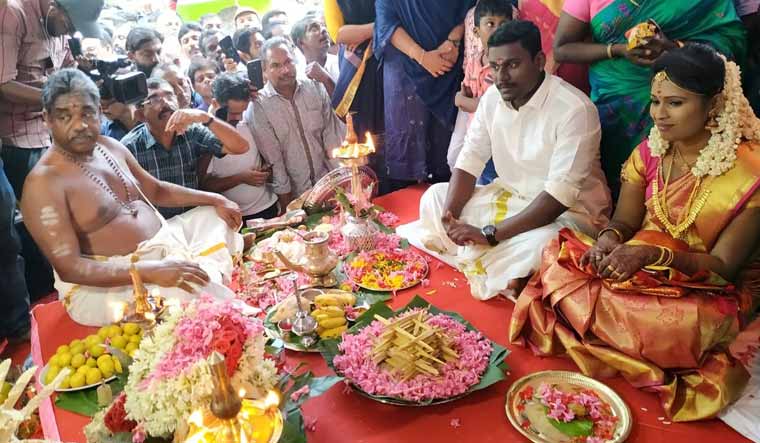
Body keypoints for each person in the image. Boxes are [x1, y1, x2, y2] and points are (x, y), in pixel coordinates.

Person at [510, 44, 760, 421]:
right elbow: (625, 223)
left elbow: (723, 266)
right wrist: (609, 241)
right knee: (558, 258)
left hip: (709, 290)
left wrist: (650, 255)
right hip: (639, 271)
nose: (659, 114)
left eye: (675, 103)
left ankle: (611, 329)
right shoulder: (650, 153)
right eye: (656, 101)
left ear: (714, 104)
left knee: (678, 325)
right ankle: (620, 328)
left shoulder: (751, 173)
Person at [399, 21, 610, 301]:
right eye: (495, 66)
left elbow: (558, 197)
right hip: (510, 198)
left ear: (538, 61)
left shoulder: (574, 110)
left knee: (543, 245)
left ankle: (499, 262)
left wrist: (488, 234)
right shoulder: (492, 100)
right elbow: (469, 160)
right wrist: (450, 216)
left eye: (512, 65)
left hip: (567, 215)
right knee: (435, 198)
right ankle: (508, 272)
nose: (501, 77)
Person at [21, 69, 246, 327]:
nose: (80, 125)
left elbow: (156, 190)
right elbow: (70, 267)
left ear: (100, 112)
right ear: (46, 119)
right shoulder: (43, 183)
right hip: (109, 284)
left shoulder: (110, 146)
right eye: (65, 116)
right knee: (190, 291)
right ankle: (209, 276)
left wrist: (215, 199)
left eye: (87, 113)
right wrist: (150, 272)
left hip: (159, 243)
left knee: (214, 216)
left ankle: (203, 267)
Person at [553, 0, 746, 198]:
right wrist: (618, 50)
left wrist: (673, 48)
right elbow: (562, 48)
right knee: (621, 177)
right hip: (617, 101)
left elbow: (730, 40)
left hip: (684, 93)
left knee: (686, 178)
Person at [0, 0, 104, 341]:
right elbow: (3, 83)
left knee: (74, 218)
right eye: (70, 23)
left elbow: (68, 69)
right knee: (40, 230)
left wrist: (85, 80)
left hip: (51, 136)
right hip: (18, 141)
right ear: (55, 7)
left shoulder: (60, 26)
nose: (71, 31)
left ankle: (78, 304)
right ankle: (35, 323)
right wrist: (54, 100)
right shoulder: (13, 13)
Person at [374, 0, 474, 191]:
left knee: (445, 157)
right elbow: (386, 19)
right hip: (404, 70)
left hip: (448, 63)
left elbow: (471, 7)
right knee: (407, 156)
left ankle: (444, 210)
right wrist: (421, 56)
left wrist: (454, 39)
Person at [120, 78, 248, 219]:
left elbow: (240, 147)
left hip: (194, 220)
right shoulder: (130, 147)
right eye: (154, 100)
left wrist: (206, 118)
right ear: (141, 115)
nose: (166, 103)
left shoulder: (192, 132)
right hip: (159, 229)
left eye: (169, 95)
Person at [248, 38, 345, 211]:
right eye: (275, 65)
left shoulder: (315, 88)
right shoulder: (259, 106)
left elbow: (331, 138)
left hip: (329, 187)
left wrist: (339, 185)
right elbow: (275, 162)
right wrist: (289, 209)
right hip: (295, 198)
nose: (285, 70)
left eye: (288, 62)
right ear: (264, 70)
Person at [448, 0, 513, 186]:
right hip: (476, 133)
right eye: (490, 24)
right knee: (464, 167)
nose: (498, 30)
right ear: (476, 31)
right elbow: (468, 90)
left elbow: (492, 106)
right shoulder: (475, 62)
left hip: (497, 139)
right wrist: (465, 96)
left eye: (504, 24)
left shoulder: (506, 66)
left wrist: (461, 100)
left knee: (490, 182)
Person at [324, 0, 386, 193]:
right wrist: (382, 27)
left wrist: (362, 32)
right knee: (366, 134)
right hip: (359, 67)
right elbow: (340, 34)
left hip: (390, 55)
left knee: (395, 128)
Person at [202, 73, 278, 222]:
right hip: (235, 217)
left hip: (269, 206)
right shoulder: (205, 135)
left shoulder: (249, 120)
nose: (238, 118)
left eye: (242, 112)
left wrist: (265, 172)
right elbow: (205, 186)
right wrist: (241, 178)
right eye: (233, 113)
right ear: (215, 103)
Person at [291, 16, 339, 96]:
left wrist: (326, 79)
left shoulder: (341, 64)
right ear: (300, 43)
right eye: (314, 29)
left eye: (324, 26)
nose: (324, 30)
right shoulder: (297, 77)